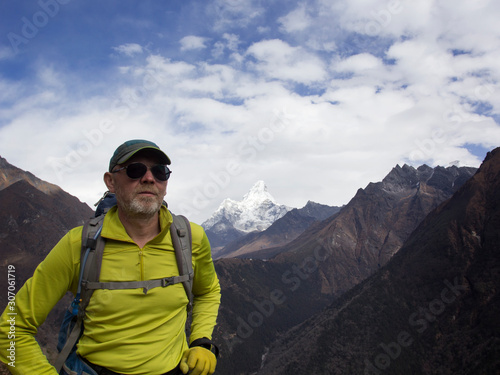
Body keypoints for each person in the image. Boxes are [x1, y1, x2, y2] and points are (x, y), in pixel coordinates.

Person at [0, 139, 221, 375]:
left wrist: (201, 341)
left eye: (160, 171)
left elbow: (207, 291)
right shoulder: (78, 245)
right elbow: (13, 328)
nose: (149, 178)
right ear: (111, 181)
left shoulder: (190, 238)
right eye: (135, 170)